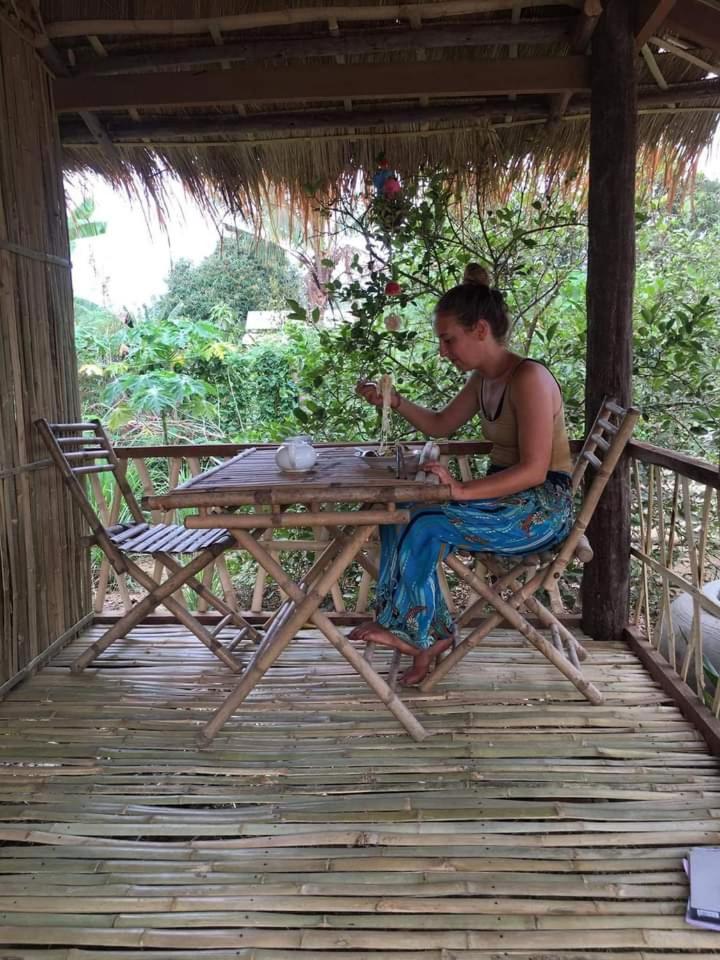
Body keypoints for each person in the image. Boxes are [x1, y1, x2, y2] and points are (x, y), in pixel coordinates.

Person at [349, 263, 574, 685]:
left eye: (448, 339)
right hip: (504, 502)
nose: (443, 351)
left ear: (481, 330)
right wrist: (393, 401)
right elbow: (440, 425)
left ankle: (416, 633)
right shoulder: (482, 380)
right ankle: (426, 633)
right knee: (398, 514)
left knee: (426, 523)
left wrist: (461, 490)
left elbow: (534, 470)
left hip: (540, 510)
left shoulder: (529, 378)